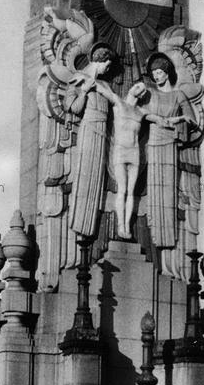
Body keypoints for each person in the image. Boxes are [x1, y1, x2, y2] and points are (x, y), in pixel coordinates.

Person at [95, 80, 174, 239]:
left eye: (142, 89)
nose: (138, 89)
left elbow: (162, 121)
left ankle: (127, 227)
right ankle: (121, 225)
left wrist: (181, 118)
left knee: (130, 192)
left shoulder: (141, 112)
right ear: (131, 88)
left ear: (142, 94)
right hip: (120, 151)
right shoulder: (118, 102)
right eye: (137, 86)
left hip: (134, 153)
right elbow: (101, 89)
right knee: (122, 190)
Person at [144, 54, 197, 248]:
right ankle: (155, 233)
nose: (156, 76)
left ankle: (167, 236)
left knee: (168, 189)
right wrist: (155, 118)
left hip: (170, 143)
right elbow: (139, 112)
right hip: (154, 141)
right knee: (154, 187)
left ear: (167, 73)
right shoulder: (150, 93)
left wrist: (178, 120)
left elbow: (191, 119)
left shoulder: (178, 95)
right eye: (154, 73)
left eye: (159, 72)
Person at [64, 42, 117, 237]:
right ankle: (79, 225)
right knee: (85, 175)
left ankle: (89, 228)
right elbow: (74, 109)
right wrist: (85, 90)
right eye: (107, 64)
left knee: (96, 179)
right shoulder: (78, 78)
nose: (108, 69)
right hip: (89, 130)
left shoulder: (104, 85)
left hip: (103, 133)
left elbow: (115, 104)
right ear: (101, 61)